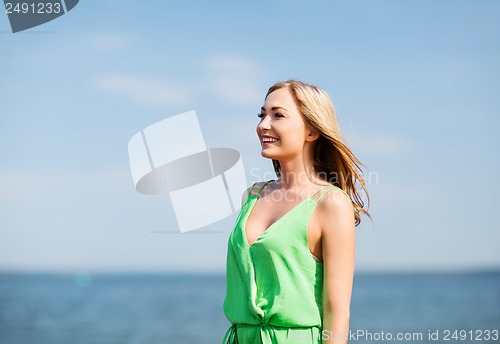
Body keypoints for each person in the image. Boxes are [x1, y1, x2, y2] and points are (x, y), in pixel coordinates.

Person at [222, 80, 370, 344]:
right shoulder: (252, 196)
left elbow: (337, 315)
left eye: (278, 115)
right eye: (262, 115)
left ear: (312, 131)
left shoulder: (331, 204)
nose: (263, 125)